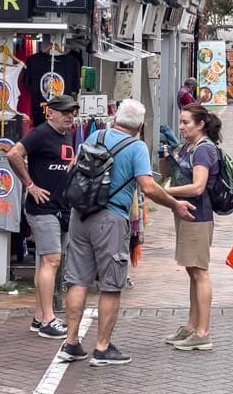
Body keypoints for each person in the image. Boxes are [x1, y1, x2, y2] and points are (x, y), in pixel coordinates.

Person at [60, 99, 195, 367]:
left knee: (77, 279)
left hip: (80, 214)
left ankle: (71, 343)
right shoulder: (137, 147)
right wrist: (174, 203)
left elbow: (73, 167)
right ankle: (102, 348)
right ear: (141, 125)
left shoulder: (95, 134)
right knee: (111, 284)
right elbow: (148, 187)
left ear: (115, 119)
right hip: (111, 218)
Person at [7, 94, 77, 339]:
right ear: (51, 113)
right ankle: (48, 319)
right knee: (51, 261)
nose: (70, 116)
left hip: (62, 207)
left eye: (73, 112)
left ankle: (39, 316)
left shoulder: (67, 134)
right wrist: (30, 185)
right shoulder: (41, 133)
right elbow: (13, 154)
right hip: (43, 208)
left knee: (47, 262)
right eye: (65, 112)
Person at [161, 104, 221, 352]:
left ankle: (203, 331)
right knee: (192, 271)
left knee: (199, 271)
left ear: (201, 124)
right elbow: (168, 171)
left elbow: (198, 187)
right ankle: (192, 324)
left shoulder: (204, 150)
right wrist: (165, 156)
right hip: (186, 213)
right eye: (181, 122)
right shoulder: (187, 147)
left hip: (198, 214)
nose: (182, 127)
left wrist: (164, 193)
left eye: (186, 123)